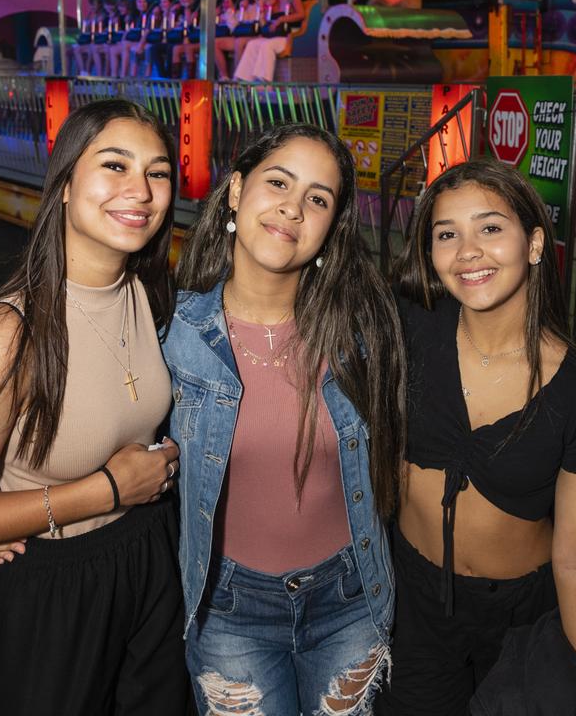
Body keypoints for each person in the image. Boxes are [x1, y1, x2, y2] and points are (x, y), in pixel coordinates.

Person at [0, 98, 189, 716]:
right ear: (64, 184)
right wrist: (101, 492)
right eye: (115, 166)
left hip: (150, 562)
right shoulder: (4, 335)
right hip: (54, 585)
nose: (140, 191)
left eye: (158, 171)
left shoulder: (152, 297)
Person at [164, 123, 406, 714]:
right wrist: (40, 510)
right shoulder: (172, 334)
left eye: (317, 199)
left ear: (331, 227)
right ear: (237, 190)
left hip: (350, 598)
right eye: (279, 182)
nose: (293, 209)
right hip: (229, 608)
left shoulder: (361, 335)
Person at [376, 159, 576, 715]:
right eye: (447, 234)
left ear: (535, 243)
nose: (468, 250)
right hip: (411, 597)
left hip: (521, 618)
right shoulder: (407, 332)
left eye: (490, 228)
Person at [234, 0, 305, 83]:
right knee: (253, 44)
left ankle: (264, 83)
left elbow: (301, 14)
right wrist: (263, 8)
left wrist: (281, 20)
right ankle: (243, 80)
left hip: (287, 36)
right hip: (273, 35)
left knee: (266, 45)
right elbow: (266, 22)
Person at [169, 0, 199, 79]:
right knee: (176, 49)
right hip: (184, 39)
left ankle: (190, 79)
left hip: (197, 39)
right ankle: (175, 80)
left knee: (188, 47)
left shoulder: (197, 9)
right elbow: (170, 27)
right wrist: (171, 12)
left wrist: (187, 9)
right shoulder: (178, 10)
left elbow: (189, 23)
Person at [214, 0, 238, 80]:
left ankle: (227, 76)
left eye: (228, 2)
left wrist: (229, 14)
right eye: (224, 2)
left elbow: (233, 28)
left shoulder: (235, 13)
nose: (225, 4)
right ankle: (223, 76)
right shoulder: (222, 15)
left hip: (235, 38)